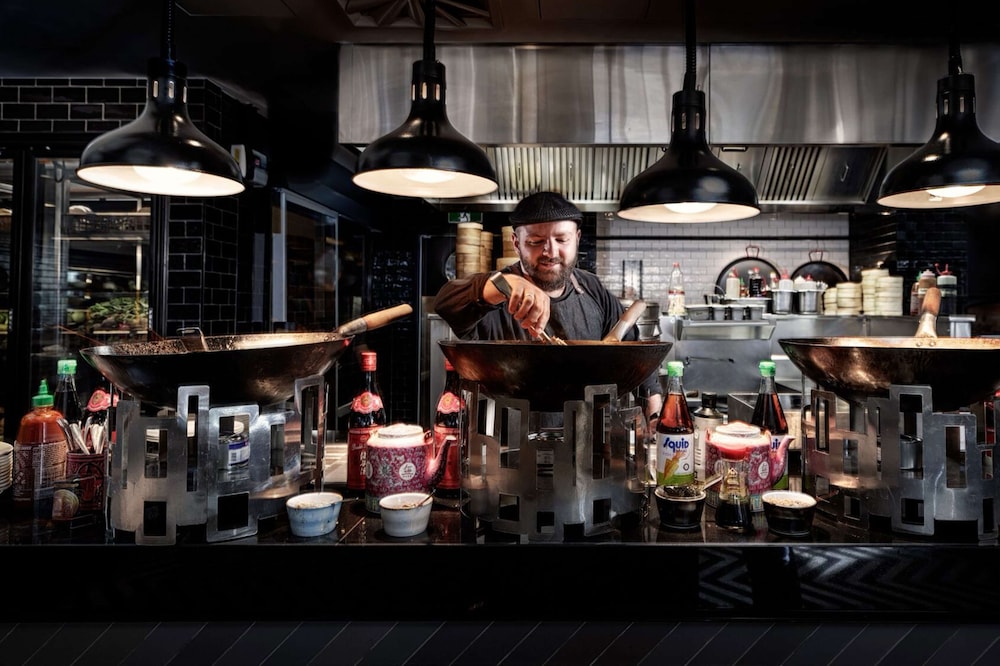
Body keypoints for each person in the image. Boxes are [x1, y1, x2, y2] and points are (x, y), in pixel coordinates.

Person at [433, 190, 663, 421]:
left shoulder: (591, 288)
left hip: (587, 435)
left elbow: (633, 348)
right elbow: (445, 302)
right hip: (507, 437)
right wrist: (504, 285)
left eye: (562, 240)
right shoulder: (496, 292)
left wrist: (653, 406)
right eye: (535, 242)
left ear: (577, 238)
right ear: (516, 243)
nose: (550, 252)